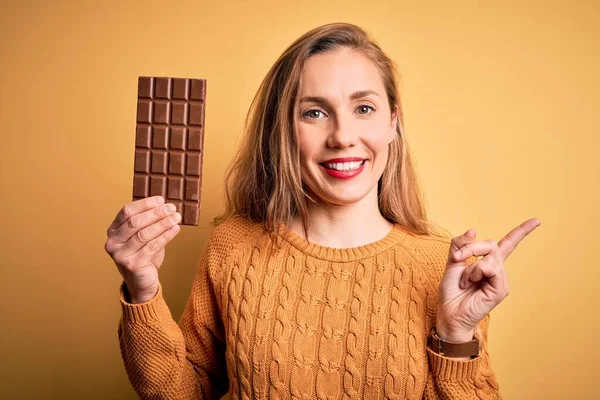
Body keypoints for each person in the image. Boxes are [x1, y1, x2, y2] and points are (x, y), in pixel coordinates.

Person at [105, 22, 540, 399]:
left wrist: (456, 334)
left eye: (364, 108)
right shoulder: (232, 248)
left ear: (392, 122)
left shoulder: (442, 267)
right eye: (314, 112)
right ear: (284, 129)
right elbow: (180, 393)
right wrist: (143, 290)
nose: (342, 135)